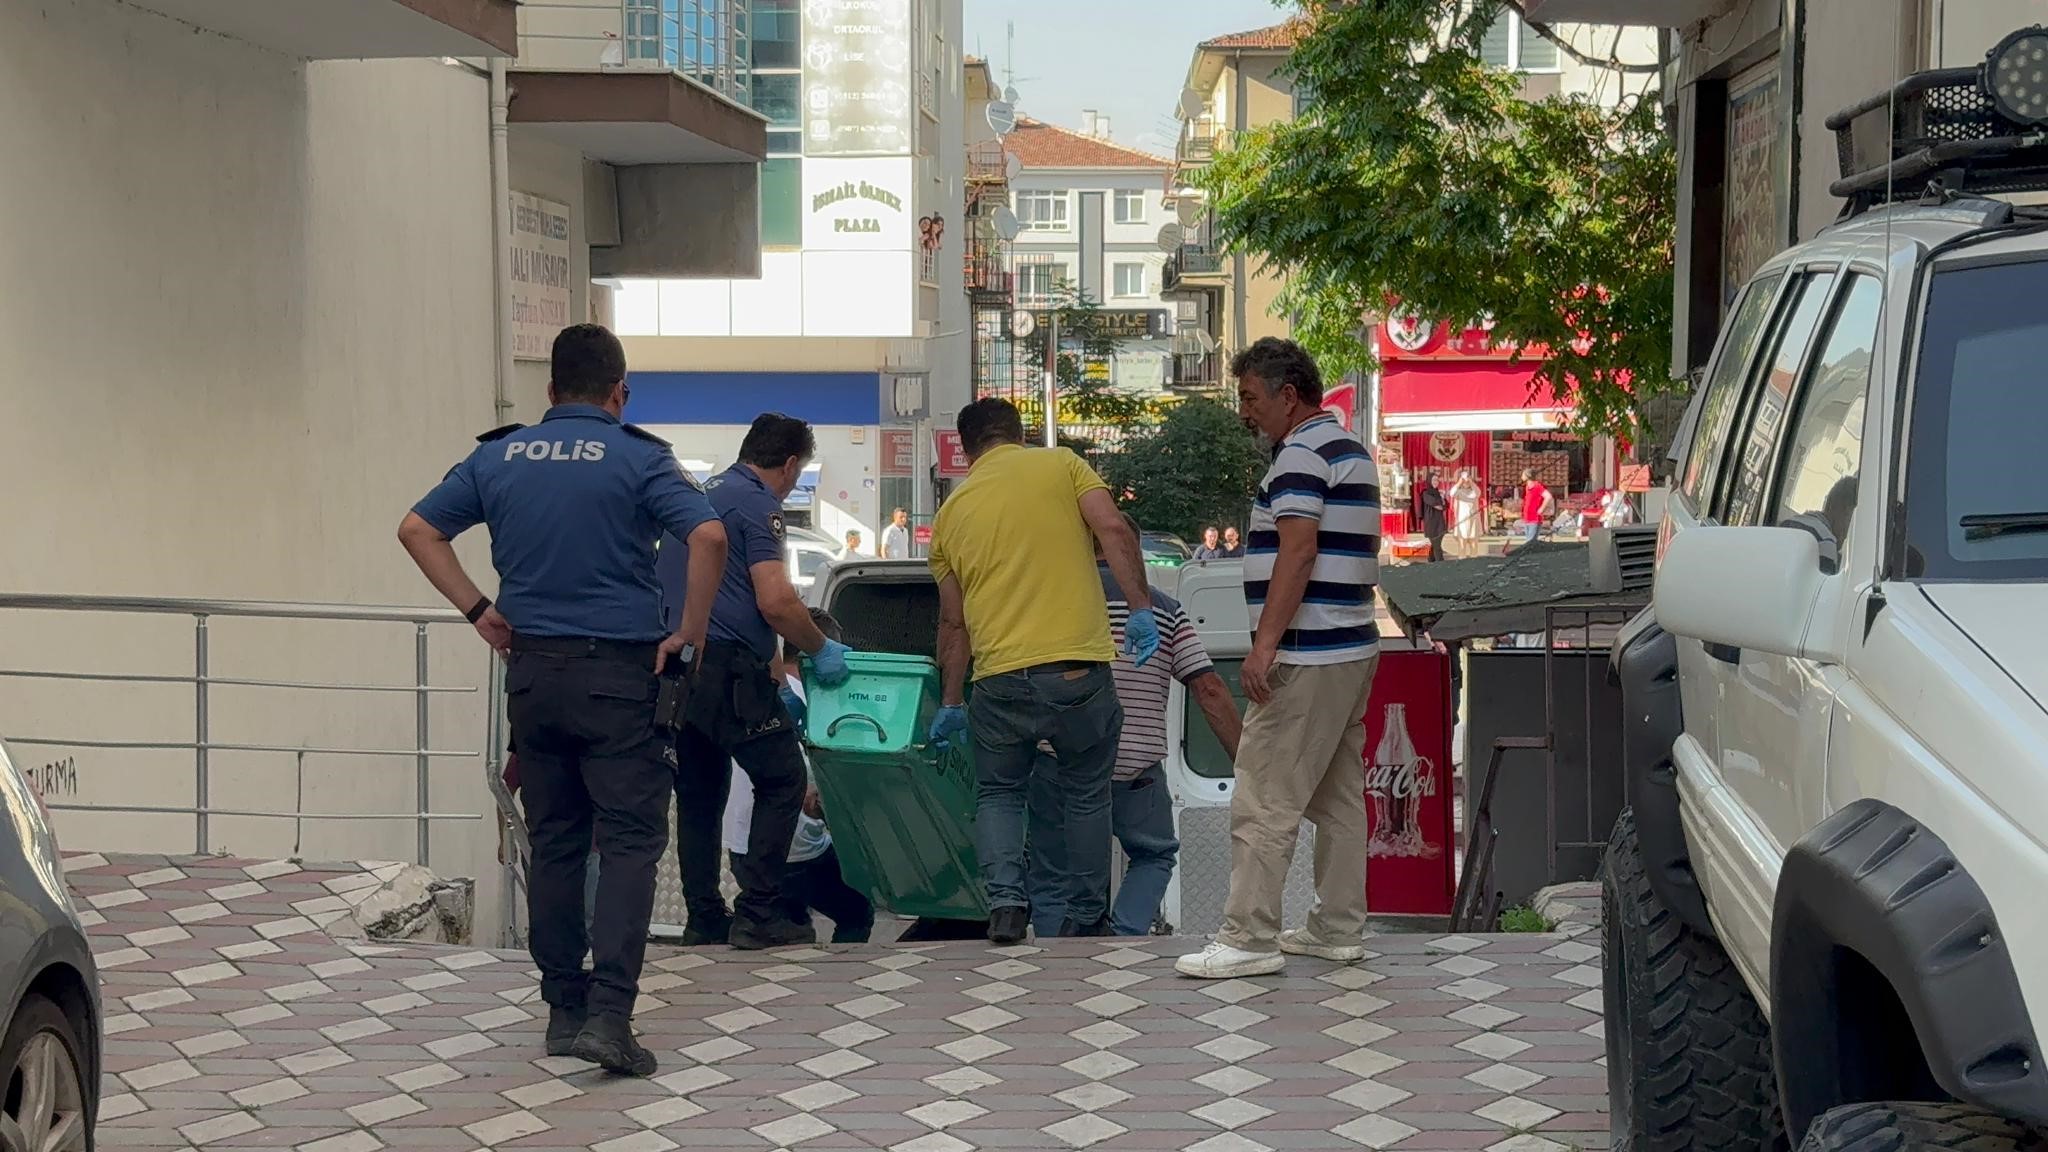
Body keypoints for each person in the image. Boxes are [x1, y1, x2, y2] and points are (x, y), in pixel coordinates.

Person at [398, 323, 728, 1077]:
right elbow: (707, 537)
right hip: (618, 678)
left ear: (549, 393)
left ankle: (562, 1008)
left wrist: (480, 610)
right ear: (619, 394)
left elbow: (417, 529)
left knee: (556, 841)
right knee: (632, 844)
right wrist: (689, 634)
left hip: (533, 673)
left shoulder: (497, 454)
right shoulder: (640, 457)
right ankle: (611, 1016)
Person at [1178, 336, 1380, 981]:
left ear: (1287, 396)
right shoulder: (1349, 447)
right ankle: (1337, 926)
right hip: (1349, 646)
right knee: (1338, 795)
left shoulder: (1300, 454)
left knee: (1264, 795)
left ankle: (1249, 935)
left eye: (1250, 397)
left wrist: (1263, 647)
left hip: (1307, 652)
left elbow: (1297, 552)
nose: (1245, 412)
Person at [926, 398, 1158, 944]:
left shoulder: (950, 515)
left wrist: (952, 700)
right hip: (1076, 672)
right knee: (1086, 791)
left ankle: (1007, 906)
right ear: (1019, 433)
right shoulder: (1063, 465)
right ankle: (1085, 916)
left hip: (1000, 680)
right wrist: (1141, 607)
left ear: (966, 448)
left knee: (1000, 793)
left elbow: (953, 624)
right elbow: (1114, 531)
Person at [669, 414, 856, 951]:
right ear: (791, 464)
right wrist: (820, 649)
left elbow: (729, 599)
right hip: (727, 669)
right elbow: (774, 601)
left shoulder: (702, 493)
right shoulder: (757, 503)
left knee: (699, 793)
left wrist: (776, 674)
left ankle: (704, 916)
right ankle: (759, 912)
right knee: (783, 779)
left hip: (683, 667)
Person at [1027, 514, 1242, 937]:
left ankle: (1054, 958)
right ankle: (1123, 938)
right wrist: (1247, 762)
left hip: (1060, 762)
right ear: (1134, 552)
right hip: (1134, 767)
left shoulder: (1051, 605)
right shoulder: (1164, 611)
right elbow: (1210, 689)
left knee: (1052, 871)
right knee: (1153, 855)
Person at [724, 610, 875, 944]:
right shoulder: (814, 704)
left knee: (790, 923)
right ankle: (844, 977)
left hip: (741, 852)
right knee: (858, 910)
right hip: (793, 856)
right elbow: (814, 799)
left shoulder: (759, 695)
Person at [1449, 469, 1485, 557]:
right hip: (1462, 521)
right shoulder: (1459, 492)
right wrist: (1459, 482)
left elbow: (1478, 492)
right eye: (1464, 480)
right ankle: (1461, 563)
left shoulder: (1474, 491)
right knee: (1462, 546)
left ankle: (1473, 562)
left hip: (1473, 521)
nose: (1466, 482)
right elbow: (1451, 493)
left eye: (1467, 479)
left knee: (1473, 546)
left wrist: (1471, 482)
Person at [1517, 468, 1555, 548]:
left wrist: (1541, 508)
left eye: (1523, 474)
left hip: (1534, 518)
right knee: (1528, 541)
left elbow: (1548, 496)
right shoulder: (1527, 487)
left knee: (1530, 542)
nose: (1521, 476)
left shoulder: (1537, 486)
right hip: (1527, 517)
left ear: (1528, 476)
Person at [1419, 471, 1449, 562]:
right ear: (1429, 481)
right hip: (1431, 524)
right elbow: (1437, 504)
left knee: (1435, 545)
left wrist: (1442, 504)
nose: (1436, 482)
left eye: (1437, 480)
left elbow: (1445, 506)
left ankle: (1431, 562)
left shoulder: (1438, 493)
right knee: (1437, 546)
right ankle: (1441, 565)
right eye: (1434, 480)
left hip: (1440, 523)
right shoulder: (1426, 493)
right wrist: (1442, 504)